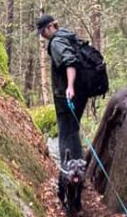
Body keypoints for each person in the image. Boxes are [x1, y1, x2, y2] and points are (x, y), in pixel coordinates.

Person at [36, 14, 88, 175]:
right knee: (73, 131)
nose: (43, 35)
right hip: (81, 93)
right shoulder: (67, 35)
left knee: (65, 134)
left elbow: (70, 61)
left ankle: (67, 174)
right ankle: (79, 172)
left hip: (67, 96)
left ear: (51, 26)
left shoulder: (56, 42)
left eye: (43, 31)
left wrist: (70, 87)